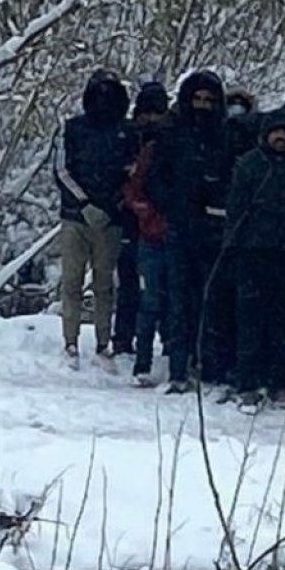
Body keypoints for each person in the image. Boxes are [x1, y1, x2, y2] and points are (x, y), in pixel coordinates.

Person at [146, 70, 233, 393]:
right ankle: (179, 369)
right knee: (179, 300)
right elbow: (155, 178)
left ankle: (209, 366)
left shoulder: (225, 135)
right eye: (197, 99)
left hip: (214, 227)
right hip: (181, 228)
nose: (202, 106)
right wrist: (174, 205)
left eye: (209, 100)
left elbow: (234, 177)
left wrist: (218, 200)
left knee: (211, 300)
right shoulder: (172, 134)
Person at [225, 110, 285, 412]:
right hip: (252, 252)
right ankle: (247, 383)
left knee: (284, 322)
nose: (281, 137)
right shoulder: (249, 164)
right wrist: (234, 247)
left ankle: (280, 383)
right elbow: (236, 208)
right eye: (276, 132)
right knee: (249, 321)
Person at [54, 69, 137, 370]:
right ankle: (70, 342)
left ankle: (104, 344)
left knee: (105, 284)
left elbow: (134, 172)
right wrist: (84, 203)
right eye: (99, 93)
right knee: (72, 281)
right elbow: (61, 170)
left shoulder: (127, 132)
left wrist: (114, 205)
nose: (104, 100)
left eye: (110, 94)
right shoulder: (72, 128)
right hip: (75, 217)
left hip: (110, 219)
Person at [122, 81, 171, 386]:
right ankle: (141, 360)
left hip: (176, 235)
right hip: (147, 233)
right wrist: (146, 214)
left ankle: (171, 356)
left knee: (174, 301)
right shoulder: (143, 148)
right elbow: (134, 189)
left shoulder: (179, 149)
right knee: (147, 299)